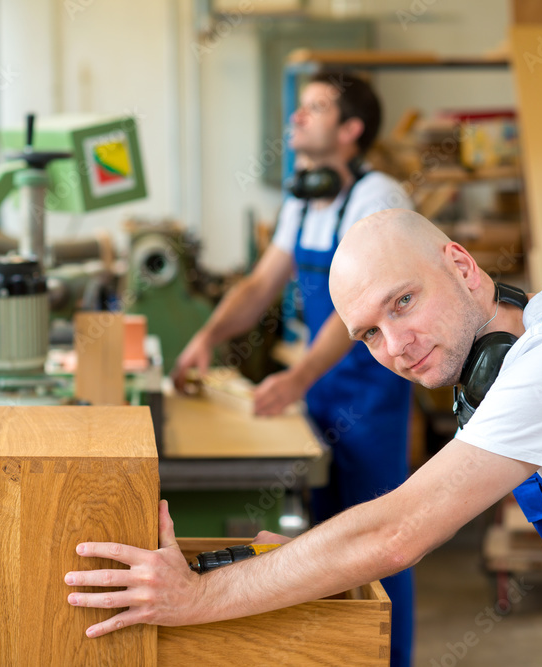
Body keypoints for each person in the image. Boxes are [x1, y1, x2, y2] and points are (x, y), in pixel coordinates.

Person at [68, 210, 542, 665]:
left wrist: (198, 596)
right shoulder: (531, 347)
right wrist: (292, 563)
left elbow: (398, 530)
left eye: (403, 302)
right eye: (368, 333)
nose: (396, 346)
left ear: (462, 265)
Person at [169, 71, 415, 666]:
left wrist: (299, 376)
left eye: (316, 107)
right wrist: (207, 336)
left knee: (383, 541)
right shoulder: (304, 200)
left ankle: (390, 657)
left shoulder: (377, 197)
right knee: (325, 538)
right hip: (322, 391)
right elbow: (260, 285)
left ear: (351, 129)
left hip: (370, 394)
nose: (296, 117)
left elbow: (360, 312)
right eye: (299, 107)